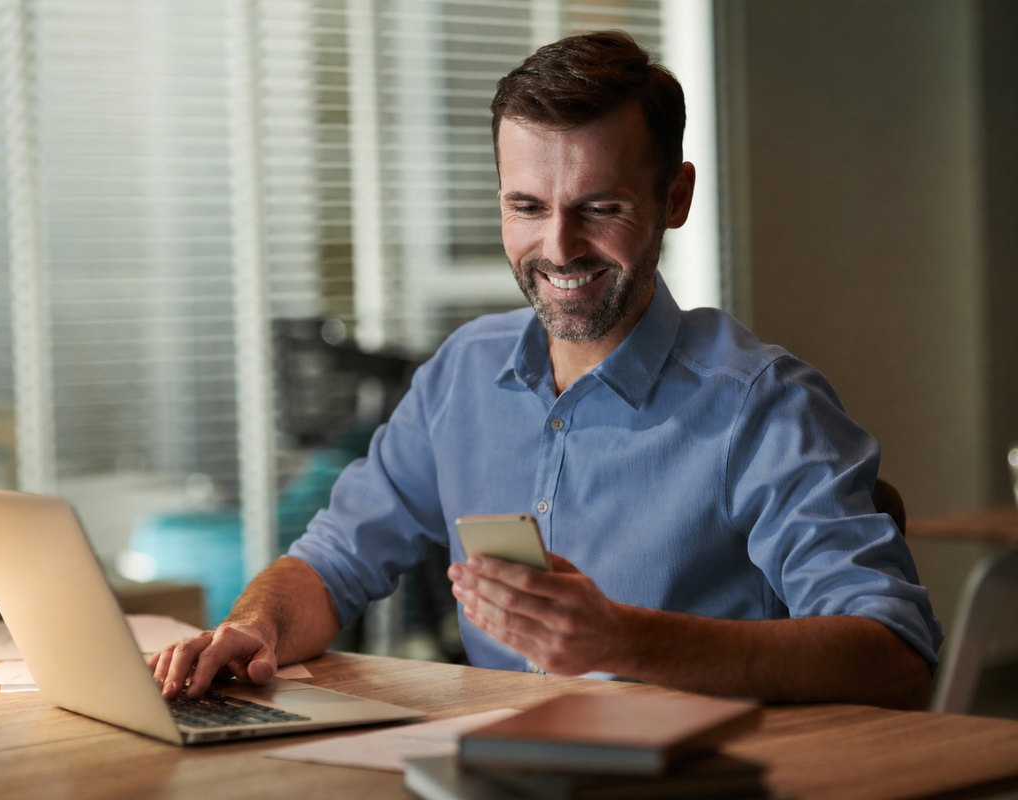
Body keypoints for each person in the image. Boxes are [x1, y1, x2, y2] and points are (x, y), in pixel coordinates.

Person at [151, 30, 942, 709]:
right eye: (528, 207)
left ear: (674, 197)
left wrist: (628, 642)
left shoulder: (760, 406)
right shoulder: (463, 374)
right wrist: (252, 629)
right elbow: (332, 561)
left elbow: (897, 654)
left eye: (600, 207)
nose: (558, 250)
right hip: (500, 768)